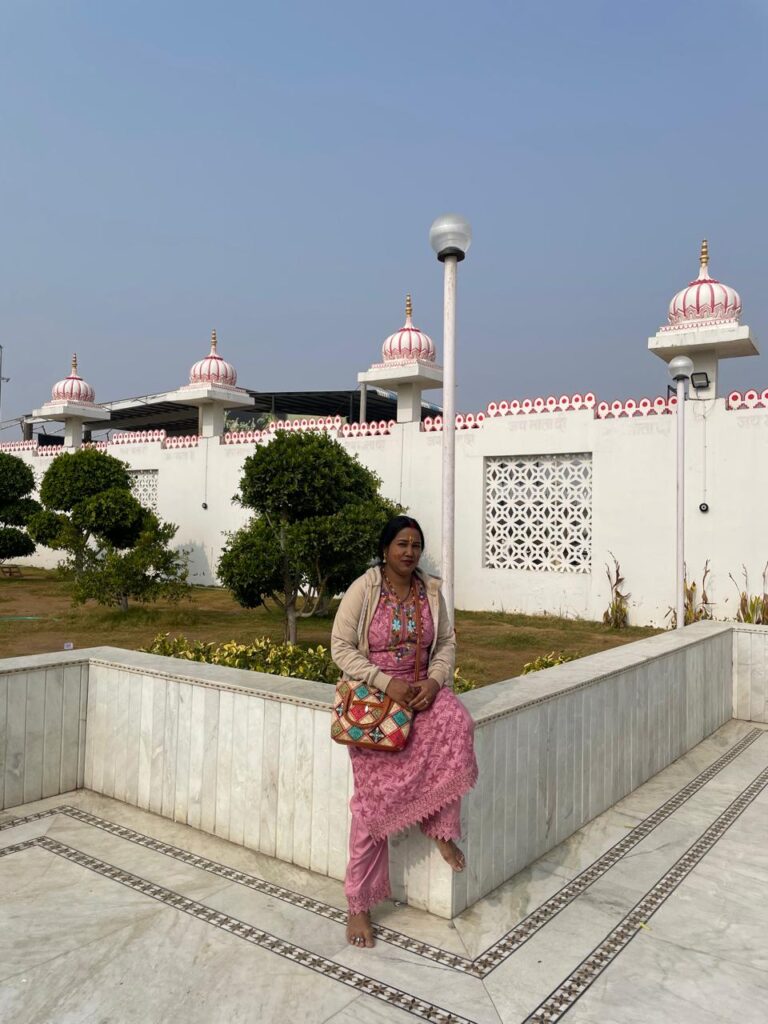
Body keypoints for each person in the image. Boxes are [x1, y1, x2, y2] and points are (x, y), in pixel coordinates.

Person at [331, 515, 478, 948]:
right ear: (385, 550)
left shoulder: (430, 590)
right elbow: (340, 646)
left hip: (418, 691)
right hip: (375, 701)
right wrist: (383, 681)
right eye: (401, 544)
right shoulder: (366, 588)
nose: (410, 552)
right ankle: (358, 903)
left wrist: (434, 682)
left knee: (458, 725)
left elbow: (447, 642)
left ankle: (441, 829)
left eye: (416, 544)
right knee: (373, 803)